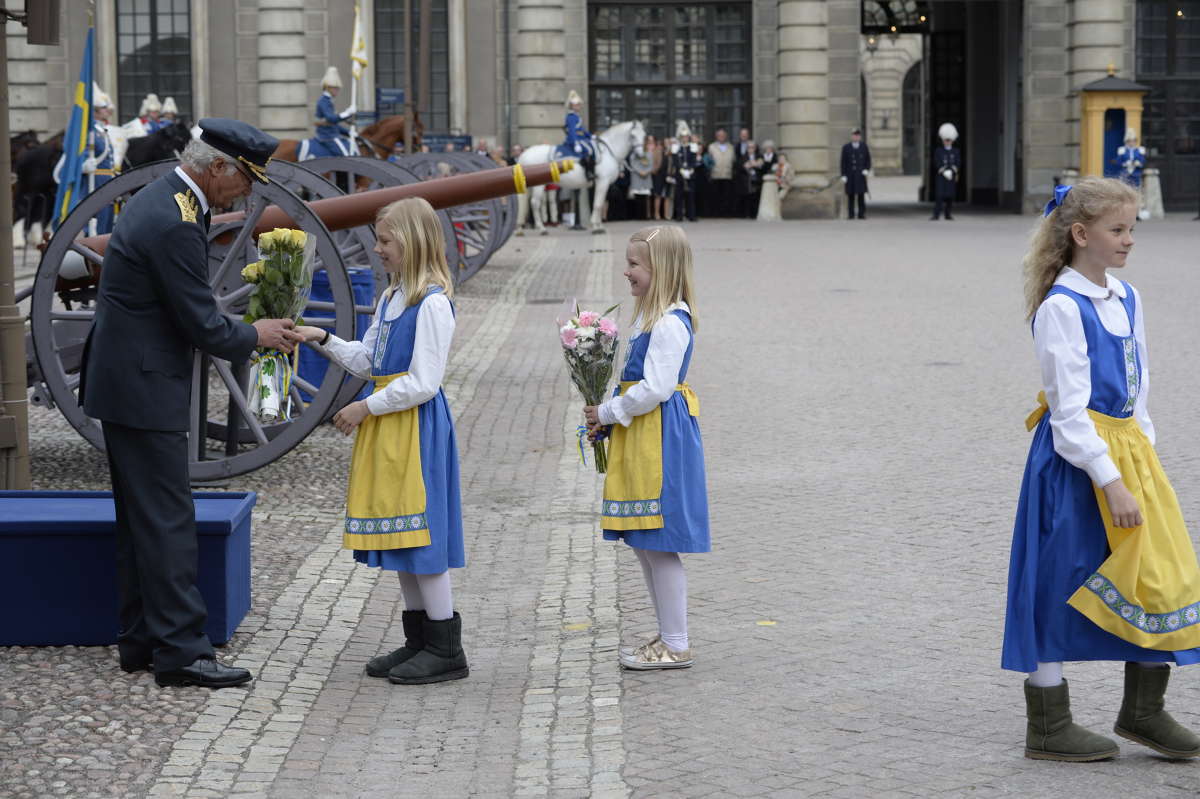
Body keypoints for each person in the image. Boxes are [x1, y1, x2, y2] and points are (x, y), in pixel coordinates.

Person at [78, 118, 303, 688]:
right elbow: (203, 323)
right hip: (145, 383)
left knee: (141, 520)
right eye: (246, 177)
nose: (250, 189)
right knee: (169, 520)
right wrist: (260, 335)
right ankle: (182, 652)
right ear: (218, 167)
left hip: (127, 379)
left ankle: (141, 640)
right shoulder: (177, 220)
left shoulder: (168, 198)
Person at [1003, 176, 1200, 762]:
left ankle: (1143, 711)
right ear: (1081, 234)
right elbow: (1067, 410)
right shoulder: (1061, 307)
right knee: (1058, 580)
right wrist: (1107, 477)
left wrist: (1143, 456)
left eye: (1132, 229)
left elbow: (1140, 385)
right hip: (1075, 460)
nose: (1129, 240)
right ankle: (1048, 721)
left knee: (1159, 573)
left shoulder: (1126, 296)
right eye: (1118, 230)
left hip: (1129, 451)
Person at [295, 197, 468, 686]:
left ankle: (445, 647)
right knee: (400, 534)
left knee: (422, 535)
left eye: (386, 241)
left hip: (414, 427)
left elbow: (424, 381)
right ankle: (419, 641)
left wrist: (364, 407)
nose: (378, 249)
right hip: (390, 424)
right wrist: (321, 339)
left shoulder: (432, 302)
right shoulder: (395, 298)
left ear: (411, 242)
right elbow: (371, 360)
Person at [583, 225, 710, 670]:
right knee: (643, 541)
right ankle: (666, 634)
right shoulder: (649, 318)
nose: (626, 271)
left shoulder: (671, 322)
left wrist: (610, 412)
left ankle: (676, 642)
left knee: (659, 541)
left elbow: (655, 387)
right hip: (642, 432)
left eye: (635, 264)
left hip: (658, 436)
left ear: (663, 270)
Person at [53, 85, 119, 234]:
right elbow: (70, 162)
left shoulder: (102, 131)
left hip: (107, 182)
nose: (107, 110)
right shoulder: (88, 132)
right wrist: (82, 167)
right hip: (94, 183)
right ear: (95, 111)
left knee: (107, 226)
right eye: (103, 108)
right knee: (94, 229)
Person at [313, 67, 356, 157]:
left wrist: (348, 133)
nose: (337, 90)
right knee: (347, 155)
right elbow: (331, 119)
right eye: (335, 88)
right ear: (328, 88)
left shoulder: (329, 101)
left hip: (332, 134)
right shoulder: (324, 101)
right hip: (327, 136)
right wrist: (347, 113)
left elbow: (333, 124)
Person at [562, 90, 595, 180]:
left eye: (579, 105)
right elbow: (572, 131)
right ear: (572, 106)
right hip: (574, 139)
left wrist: (590, 136)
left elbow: (581, 129)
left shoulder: (576, 116)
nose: (579, 106)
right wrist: (576, 143)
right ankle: (588, 172)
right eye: (577, 105)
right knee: (588, 150)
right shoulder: (571, 117)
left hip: (580, 138)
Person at [840, 127, 871, 220]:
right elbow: (843, 162)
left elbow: (868, 160)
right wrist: (843, 175)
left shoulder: (864, 146)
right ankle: (851, 214)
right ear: (852, 136)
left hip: (860, 175)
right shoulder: (846, 147)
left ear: (860, 137)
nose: (856, 137)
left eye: (857, 135)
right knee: (851, 196)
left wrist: (866, 169)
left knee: (861, 195)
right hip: (850, 175)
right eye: (854, 135)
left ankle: (861, 214)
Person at [931, 122, 960, 220]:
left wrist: (953, 169)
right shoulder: (939, 151)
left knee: (950, 196)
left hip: (951, 175)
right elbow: (936, 161)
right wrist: (942, 169)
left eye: (949, 140)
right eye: (946, 140)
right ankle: (936, 214)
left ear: (952, 140)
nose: (947, 142)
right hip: (942, 175)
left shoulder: (955, 151)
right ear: (943, 140)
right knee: (939, 196)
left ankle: (948, 214)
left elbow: (958, 162)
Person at [706, 129, 735, 217]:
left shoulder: (731, 147)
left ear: (725, 136)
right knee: (715, 195)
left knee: (727, 196)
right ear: (716, 136)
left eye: (723, 135)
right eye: (719, 135)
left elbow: (733, 160)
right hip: (716, 174)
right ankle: (716, 213)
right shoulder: (711, 147)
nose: (721, 137)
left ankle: (726, 213)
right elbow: (708, 160)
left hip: (727, 174)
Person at [671, 137, 699, 222]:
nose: (684, 139)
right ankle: (679, 215)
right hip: (680, 174)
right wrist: (681, 170)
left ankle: (691, 215)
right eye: (682, 137)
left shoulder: (692, 147)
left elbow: (694, 160)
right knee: (679, 196)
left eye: (686, 137)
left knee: (690, 196)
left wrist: (690, 169)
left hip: (690, 174)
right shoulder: (677, 148)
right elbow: (675, 161)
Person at [736, 140, 764, 219]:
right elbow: (741, 166)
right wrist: (751, 164)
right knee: (747, 198)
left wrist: (753, 164)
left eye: (752, 147)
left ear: (755, 148)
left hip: (756, 180)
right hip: (746, 180)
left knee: (756, 197)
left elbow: (761, 165)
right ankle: (746, 214)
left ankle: (754, 214)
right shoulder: (743, 157)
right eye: (749, 147)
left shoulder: (759, 156)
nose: (751, 149)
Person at [629, 138, 654, 220]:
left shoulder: (649, 154)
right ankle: (637, 216)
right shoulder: (634, 155)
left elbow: (651, 165)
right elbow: (633, 164)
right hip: (637, 177)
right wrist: (640, 172)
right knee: (637, 198)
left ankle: (645, 216)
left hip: (646, 178)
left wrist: (646, 172)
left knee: (645, 198)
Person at [650, 135, 669, 221]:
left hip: (668, 175)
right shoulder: (657, 151)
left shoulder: (670, 152)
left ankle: (666, 214)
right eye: (665, 142)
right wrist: (654, 171)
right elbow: (654, 163)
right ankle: (656, 214)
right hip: (658, 175)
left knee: (667, 196)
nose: (666, 144)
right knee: (657, 195)